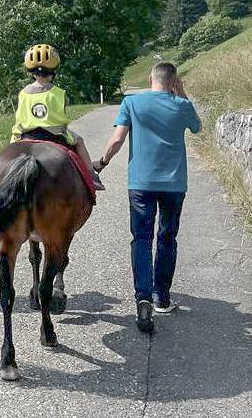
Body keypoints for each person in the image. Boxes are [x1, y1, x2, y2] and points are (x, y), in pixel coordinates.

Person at [94, 61, 201, 334]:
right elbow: (197, 127)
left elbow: (117, 140)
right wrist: (183, 94)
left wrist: (102, 162)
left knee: (141, 239)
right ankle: (162, 298)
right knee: (167, 237)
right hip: (174, 185)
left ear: (150, 77)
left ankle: (142, 298)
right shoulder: (182, 105)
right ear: (174, 80)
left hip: (141, 184)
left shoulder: (132, 103)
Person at [11, 44, 105, 190]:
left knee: (8, 155)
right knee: (79, 141)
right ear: (53, 71)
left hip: (26, 136)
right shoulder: (60, 93)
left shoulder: (23, 93)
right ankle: (92, 176)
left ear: (32, 72)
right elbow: (60, 118)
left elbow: (20, 119)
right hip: (53, 135)